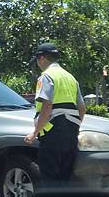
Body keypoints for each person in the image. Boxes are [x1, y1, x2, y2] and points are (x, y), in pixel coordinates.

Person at [24, 43, 87, 188]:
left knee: (49, 177)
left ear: (42, 58)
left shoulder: (46, 76)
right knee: (65, 177)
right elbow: (82, 108)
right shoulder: (70, 77)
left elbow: (47, 106)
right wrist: (75, 127)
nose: (38, 64)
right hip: (70, 133)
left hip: (52, 134)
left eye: (38, 60)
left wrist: (34, 133)